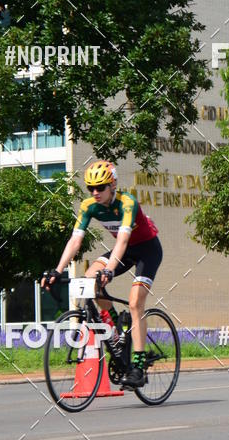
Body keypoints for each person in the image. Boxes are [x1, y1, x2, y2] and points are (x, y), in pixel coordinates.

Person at [41, 160, 163, 388]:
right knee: (90, 279)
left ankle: (138, 367)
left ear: (112, 185)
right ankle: (116, 328)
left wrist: (109, 269)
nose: (95, 192)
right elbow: (75, 240)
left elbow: (123, 240)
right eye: (91, 188)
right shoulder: (89, 206)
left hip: (147, 251)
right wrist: (57, 270)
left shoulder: (127, 202)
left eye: (100, 187)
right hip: (124, 251)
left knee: (135, 302)